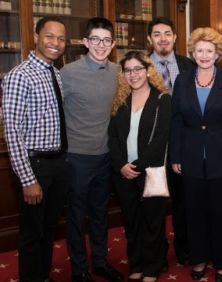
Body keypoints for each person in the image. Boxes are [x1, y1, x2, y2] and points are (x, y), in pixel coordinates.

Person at [170, 27, 222, 282]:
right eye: (199, 50)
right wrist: (176, 156)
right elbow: (176, 121)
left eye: (209, 51)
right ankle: (200, 259)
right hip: (191, 159)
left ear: (217, 54)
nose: (204, 55)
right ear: (192, 53)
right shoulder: (182, 80)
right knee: (194, 213)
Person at [1, 16, 68, 282]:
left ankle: (43, 276)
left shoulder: (55, 73)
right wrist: (28, 180)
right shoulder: (20, 75)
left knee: (49, 228)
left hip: (57, 164)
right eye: (50, 36)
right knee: (32, 233)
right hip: (34, 166)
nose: (56, 43)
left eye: (61, 38)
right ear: (36, 36)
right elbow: (12, 132)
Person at [60, 17, 122, 282]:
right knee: (75, 217)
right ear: (85, 42)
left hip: (106, 157)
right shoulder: (67, 73)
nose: (100, 45)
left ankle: (99, 261)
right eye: (95, 39)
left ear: (113, 44)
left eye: (106, 40)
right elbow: (55, 116)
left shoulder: (119, 72)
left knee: (99, 214)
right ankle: (79, 269)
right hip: (76, 158)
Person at [108, 51, 170, 282]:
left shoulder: (162, 99)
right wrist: (121, 165)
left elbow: (161, 138)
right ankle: (137, 263)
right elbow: (112, 137)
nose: (133, 74)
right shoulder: (120, 100)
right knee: (132, 221)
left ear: (148, 70)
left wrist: (137, 165)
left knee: (152, 221)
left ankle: (153, 267)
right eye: (128, 70)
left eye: (138, 69)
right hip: (123, 172)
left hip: (150, 170)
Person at [147, 16, 194, 266]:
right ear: (150, 39)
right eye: (157, 34)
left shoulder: (189, 65)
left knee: (183, 203)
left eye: (167, 33)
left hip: (184, 146)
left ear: (176, 37)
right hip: (152, 147)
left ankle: (184, 249)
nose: (163, 38)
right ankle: (157, 253)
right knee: (153, 204)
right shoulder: (140, 66)